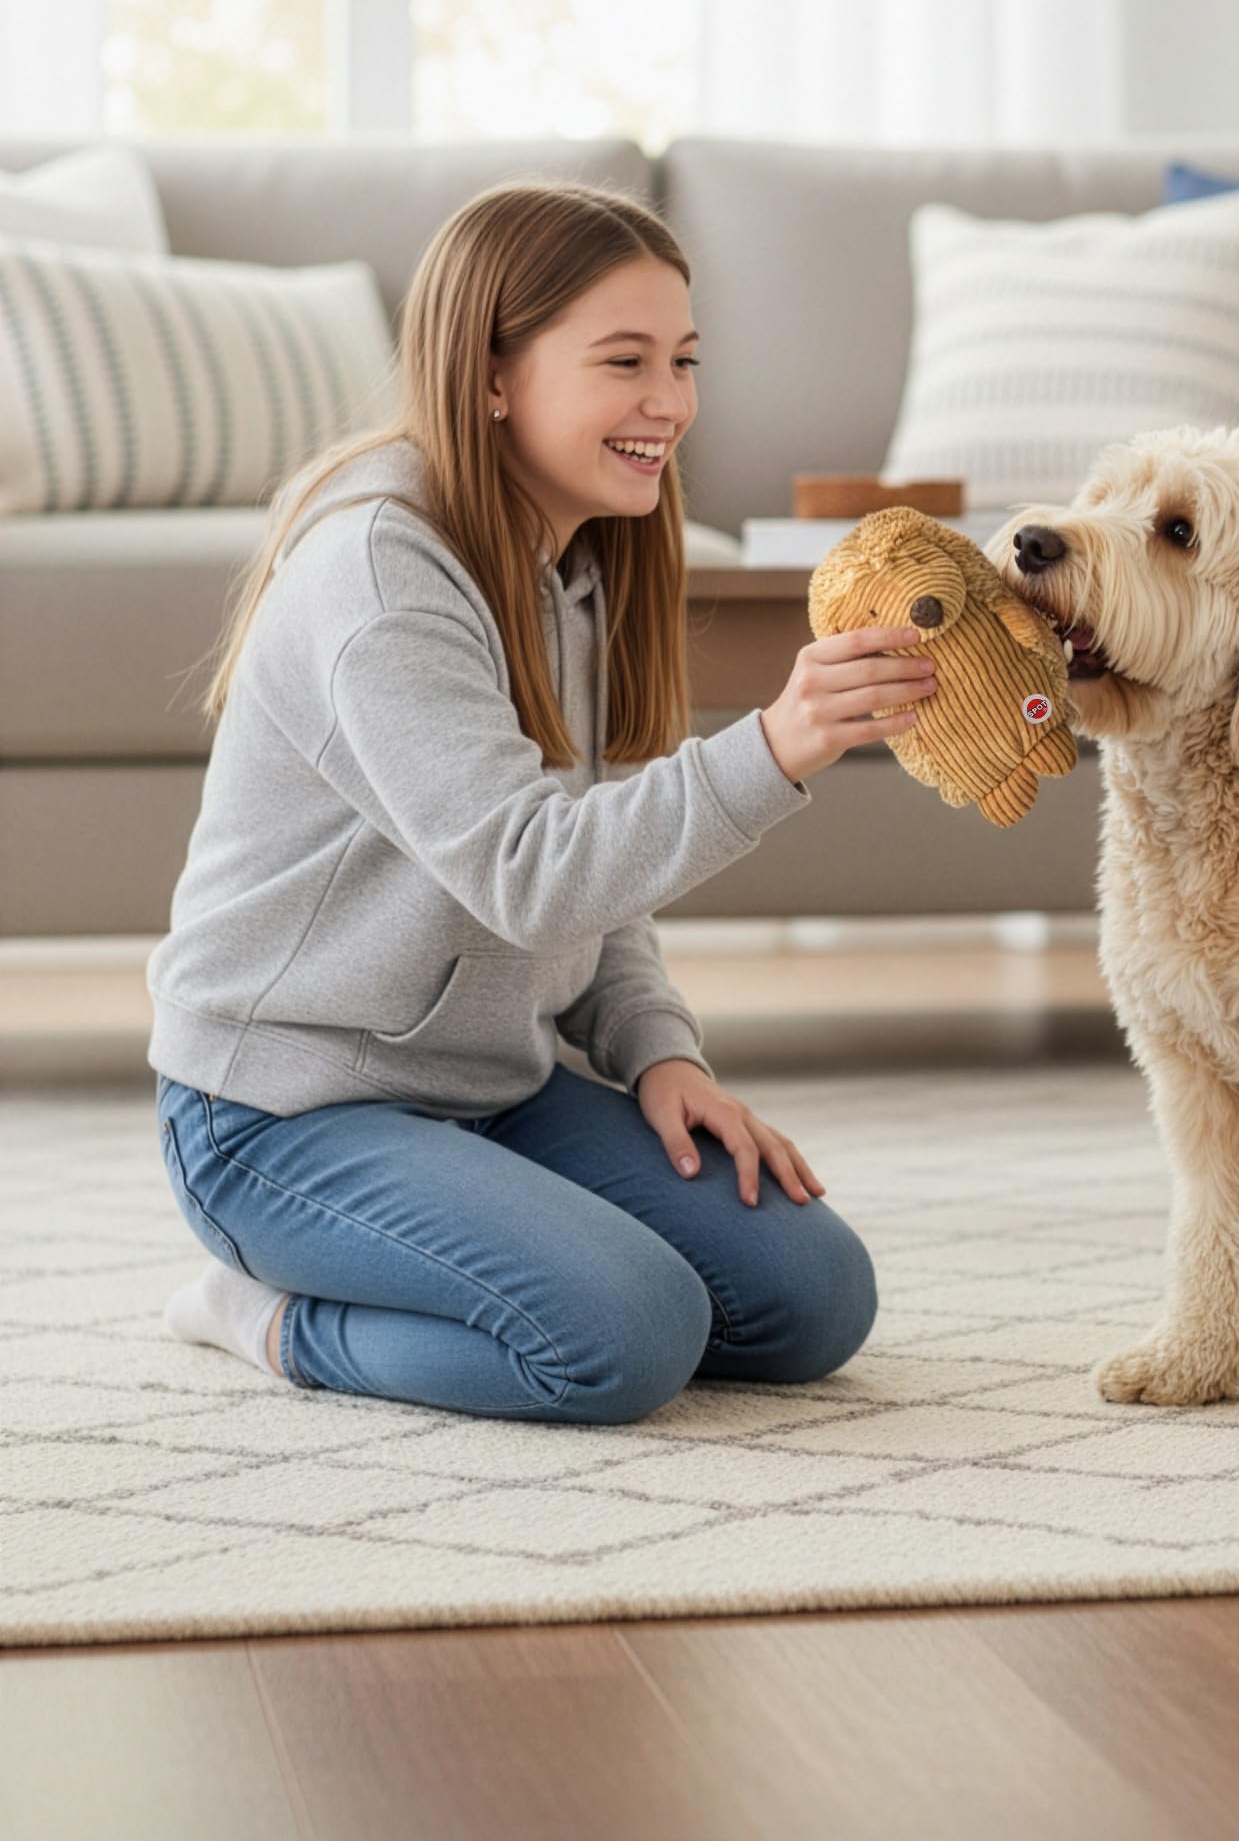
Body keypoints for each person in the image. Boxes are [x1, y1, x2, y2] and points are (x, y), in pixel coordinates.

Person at [148, 180, 937, 1423]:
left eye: (682, 360)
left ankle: (461, 1229)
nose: (668, 402)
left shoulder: (585, 557)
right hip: (281, 1114)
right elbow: (534, 868)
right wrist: (775, 745)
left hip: (489, 1088)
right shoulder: (381, 570)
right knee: (622, 1335)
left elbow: (608, 867)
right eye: (622, 361)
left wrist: (659, 1052)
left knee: (810, 1300)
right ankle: (262, 1312)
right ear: (492, 375)